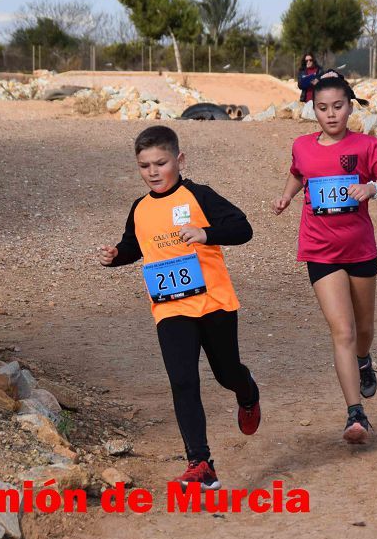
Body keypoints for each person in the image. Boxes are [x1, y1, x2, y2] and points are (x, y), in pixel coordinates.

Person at [98, 126, 260, 491]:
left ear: (179, 160)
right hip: (170, 308)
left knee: (226, 373)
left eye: (161, 162)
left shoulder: (199, 196)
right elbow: (132, 245)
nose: (153, 172)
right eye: (144, 165)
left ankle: (247, 391)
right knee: (183, 380)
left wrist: (207, 233)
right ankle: (200, 462)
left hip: (214, 303)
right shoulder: (139, 208)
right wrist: (116, 256)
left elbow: (242, 228)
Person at [272, 74, 377, 444]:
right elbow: (299, 173)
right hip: (320, 249)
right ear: (313, 109)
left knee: (363, 331)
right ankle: (355, 414)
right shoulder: (301, 145)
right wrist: (286, 196)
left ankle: (364, 360)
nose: (331, 114)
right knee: (342, 330)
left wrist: (371, 188)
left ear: (350, 106)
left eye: (338, 106)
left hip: (360, 249)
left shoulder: (367, 146)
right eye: (322, 108)